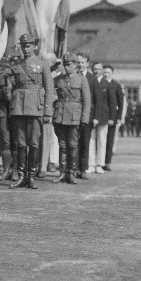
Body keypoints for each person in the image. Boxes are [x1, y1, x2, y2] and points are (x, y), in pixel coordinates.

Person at [0, 33, 54, 189]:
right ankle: (21, 176)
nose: (26, 48)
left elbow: (49, 89)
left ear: (34, 46)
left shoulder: (43, 64)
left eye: (28, 45)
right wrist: (10, 60)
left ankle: (31, 176)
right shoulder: (16, 64)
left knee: (34, 143)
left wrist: (47, 111)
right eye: (23, 45)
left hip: (36, 107)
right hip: (19, 107)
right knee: (20, 143)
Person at [52, 53, 91, 184]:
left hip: (75, 116)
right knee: (62, 145)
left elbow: (86, 101)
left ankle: (71, 172)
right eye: (65, 64)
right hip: (60, 115)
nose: (67, 67)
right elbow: (52, 94)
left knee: (72, 145)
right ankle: (62, 172)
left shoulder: (82, 80)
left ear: (75, 65)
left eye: (69, 65)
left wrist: (84, 119)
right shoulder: (58, 80)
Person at [0, 50, 17, 181]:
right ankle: (6, 170)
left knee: (17, 143)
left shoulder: (22, 75)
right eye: (13, 59)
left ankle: (16, 170)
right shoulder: (2, 75)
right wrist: (3, 92)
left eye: (18, 59)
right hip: (3, 112)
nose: (15, 62)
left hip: (17, 112)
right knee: (5, 142)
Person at [73, 53, 97, 178]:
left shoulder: (92, 78)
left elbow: (97, 100)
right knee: (74, 142)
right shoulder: (73, 76)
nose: (80, 65)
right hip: (75, 114)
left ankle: (83, 169)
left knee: (85, 142)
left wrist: (96, 117)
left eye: (83, 62)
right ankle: (74, 168)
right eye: (78, 62)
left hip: (88, 115)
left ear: (87, 63)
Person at [87, 61, 110, 174]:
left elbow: (110, 101)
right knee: (91, 140)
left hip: (103, 115)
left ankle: (100, 164)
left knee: (102, 140)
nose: (96, 71)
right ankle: (91, 164)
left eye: (99, 69)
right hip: (91, 114)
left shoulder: (107, 83)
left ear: (102, 70)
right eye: (95, 69)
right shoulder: (90, 80)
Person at [102, 65, 124, 171]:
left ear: (112, 73)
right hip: (102, 115)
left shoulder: (116, 85)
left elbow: (121, 102)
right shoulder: (100, 83)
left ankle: (107, 162)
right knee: (101, 139)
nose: (106, 74)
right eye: (104, 72)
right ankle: (100, 161)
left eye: (108, 72)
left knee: (109, 139)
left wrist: (119, 117)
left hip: (112, 116)